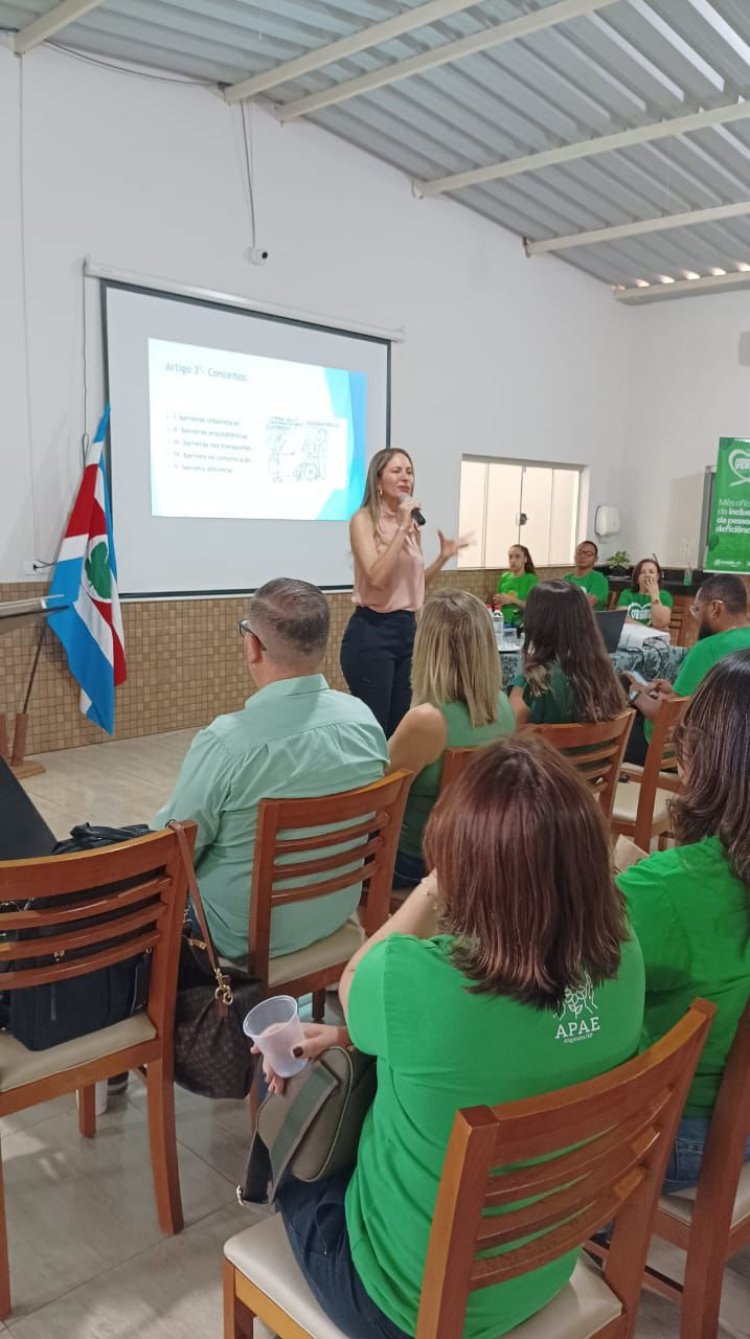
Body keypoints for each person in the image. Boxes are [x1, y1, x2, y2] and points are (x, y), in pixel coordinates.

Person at [259, 737, 644, 1339]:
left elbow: (353, 982)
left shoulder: (412, 978)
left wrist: (434, 886)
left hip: (405, 1304)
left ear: (464, 868)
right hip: (544, 1266)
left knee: (287, 1121)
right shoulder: (625, 955)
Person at [154, 578, 387, 964]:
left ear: (253, 646)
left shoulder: (227, 743)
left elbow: (170, 851)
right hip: (332, 913)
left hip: (237, 936)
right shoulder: (364, 722)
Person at [617, 650, 750, 1193]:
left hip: (678, 1133)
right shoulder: (670, 887)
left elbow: (548, 993)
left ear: (698, 757)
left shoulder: (664, 890)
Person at [387, 589, 515, 886]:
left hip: (418, 861)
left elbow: (376, 797)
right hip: (477, 851)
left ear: (427, 647)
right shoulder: (503, 704)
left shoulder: (426, 721)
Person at [340, 449, 467, 736]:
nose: (405, 477)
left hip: (408, 631)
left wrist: (443, 557)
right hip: (372, 632)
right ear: (378, 479)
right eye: (396, 470)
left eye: (409, 471)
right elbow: (376, 578)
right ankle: (374, 782)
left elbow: (415, 583)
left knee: (400, 727)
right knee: (375, 731)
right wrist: (400, 528)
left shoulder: (410, 526)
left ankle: (398, 782)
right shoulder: (363, 520)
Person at [623, 573, 750, 765]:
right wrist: (672, 690)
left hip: (684, 753)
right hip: (736, 749)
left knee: (619, 729)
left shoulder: (706, 649)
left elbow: (668, 716)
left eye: (697, 609)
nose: (696, 618)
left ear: (715, 608)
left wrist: (635, 695)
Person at [510, 580, 626, 726]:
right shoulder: (606, 677)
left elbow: (507, 738)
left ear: (534, 624)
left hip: (549, 748)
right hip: (594, 747)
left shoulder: (530, 685)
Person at [616, 556, 673, 631]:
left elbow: (660, 623)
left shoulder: (665, 596)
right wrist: (647, 630)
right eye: (642, 572)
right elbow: (621, 619)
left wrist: (654, 594)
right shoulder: (627, 594)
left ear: (657, 577)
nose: (647, 575)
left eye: (651, 572)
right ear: (637, 578)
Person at [492, 544, 538, 626]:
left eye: (517, 556)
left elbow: (533, 607)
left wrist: (512, 600)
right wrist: (497, 600)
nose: (513, 560)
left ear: (525, 559)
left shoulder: (531, 579)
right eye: (510, 557)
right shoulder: (504, 577)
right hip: (502, 622)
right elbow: (498, 603)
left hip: (520, 623)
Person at [563, 539, 609, 610]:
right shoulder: (567, 578)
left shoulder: (599, 579)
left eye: (589, 554)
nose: (583, 556)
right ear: (574, 556)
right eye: (580, 553)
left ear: (596, 559)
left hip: (590, 619)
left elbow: (587, 603)